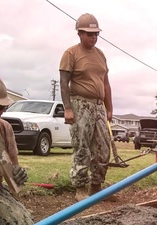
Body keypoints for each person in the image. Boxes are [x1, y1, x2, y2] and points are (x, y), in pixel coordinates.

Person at [59, 13, 114, 201]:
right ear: (80, 34)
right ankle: (80, 187)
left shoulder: (100, 55)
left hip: (99, 106)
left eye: (96, 34)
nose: (94, 37)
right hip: (80, 103)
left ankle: (96, 186)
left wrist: (109, 108)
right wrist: (68, 108)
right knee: (81, 147)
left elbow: (106, 83)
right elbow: (64, 82)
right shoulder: (71, 53)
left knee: (103, 148)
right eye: (89, 34)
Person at [0, 73, 33, 224]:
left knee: (23, 222)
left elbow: (13, 169)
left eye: (5, 106)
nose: (3, 110)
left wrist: (17, 174)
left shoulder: (5, 128)